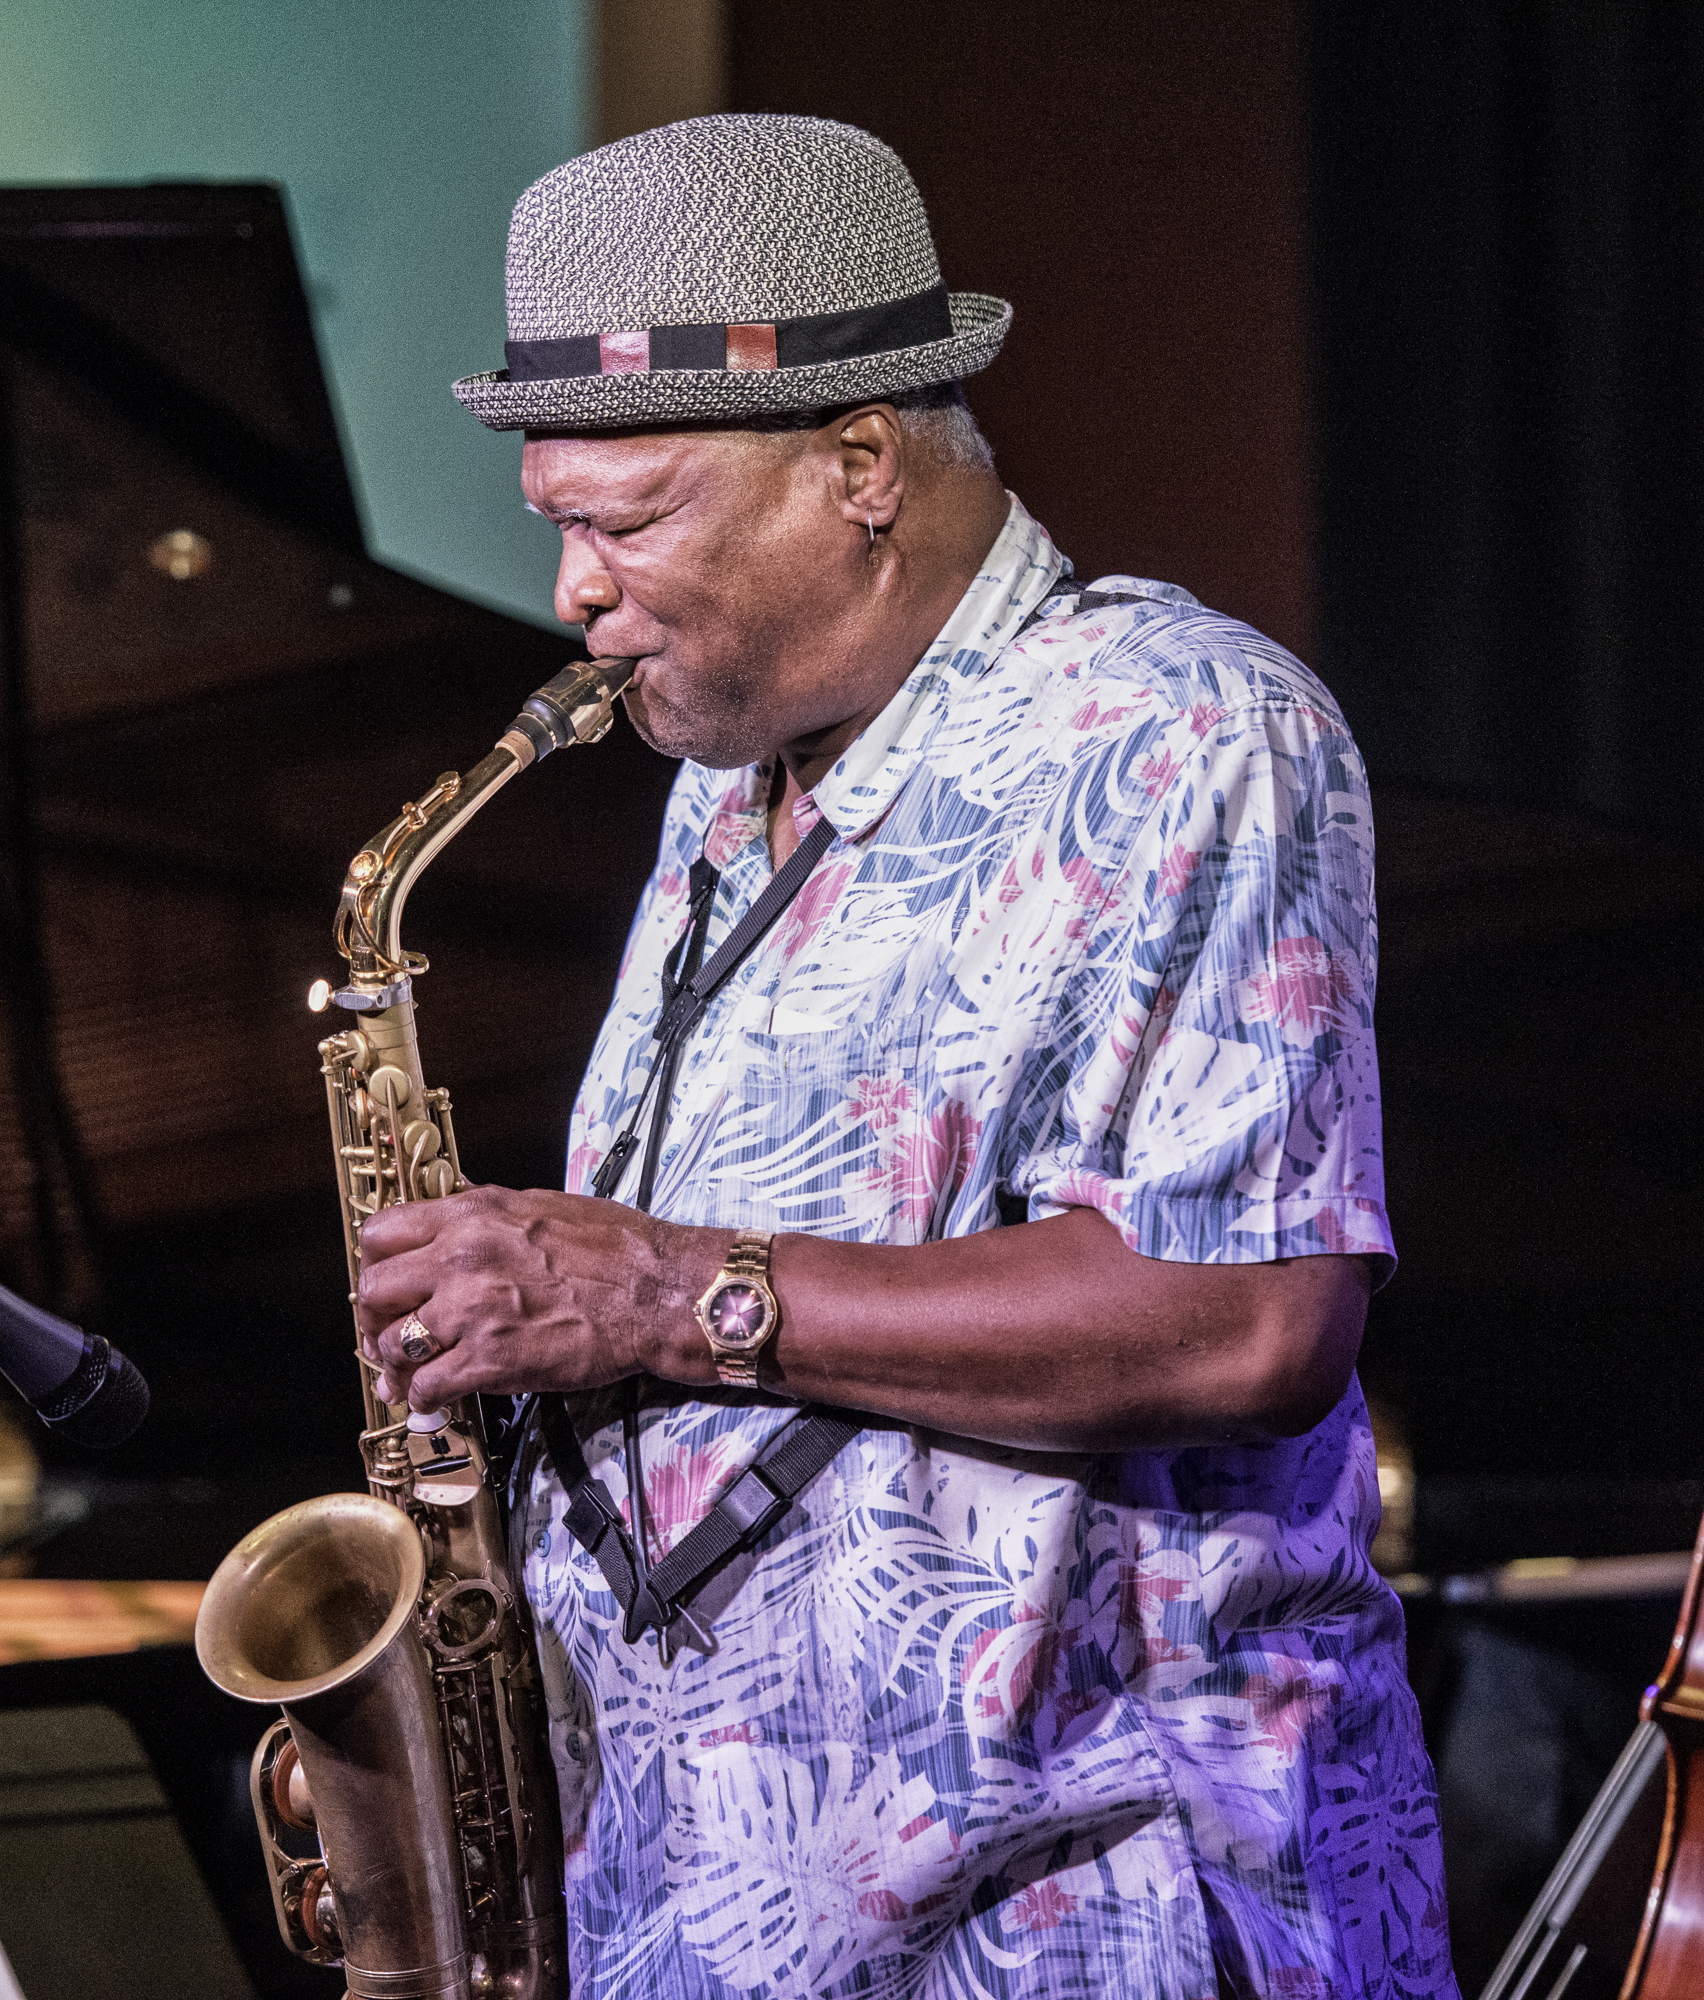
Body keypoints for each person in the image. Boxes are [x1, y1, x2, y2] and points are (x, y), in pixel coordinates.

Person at [355, 114, 1455, 1999]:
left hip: (1077, 1921)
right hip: (715, 1912)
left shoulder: (1183, 728)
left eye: (625, 522)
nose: (574, 598)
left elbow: (1255, 1324)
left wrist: (661, 1295)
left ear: (860, 464)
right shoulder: (729, 779)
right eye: (559, 524)